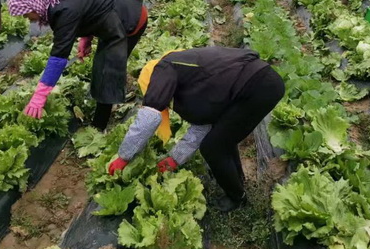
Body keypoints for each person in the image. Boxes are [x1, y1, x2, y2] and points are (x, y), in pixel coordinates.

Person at [107, 47, 285, 212]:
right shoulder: (188, 81)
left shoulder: (163, 69)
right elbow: (202, 126)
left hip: (258, 86)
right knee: (222, 139)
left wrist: (124, 157)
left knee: (213, 147)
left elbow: (150, 116)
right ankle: (238, 182)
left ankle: (237, 198)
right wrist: (174, 159)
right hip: (259, 84)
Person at [7, 0, 148, 130]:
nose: (27, 18)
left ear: (33, 2)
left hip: (130, 20)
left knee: (107, 72)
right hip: (115, 15)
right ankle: (101, 112)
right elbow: (91, 3)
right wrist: (86, 37)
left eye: (26, 13)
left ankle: (99, 127)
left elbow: (59, 56)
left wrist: (40, 95)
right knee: (101, 68)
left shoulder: (64, 10)